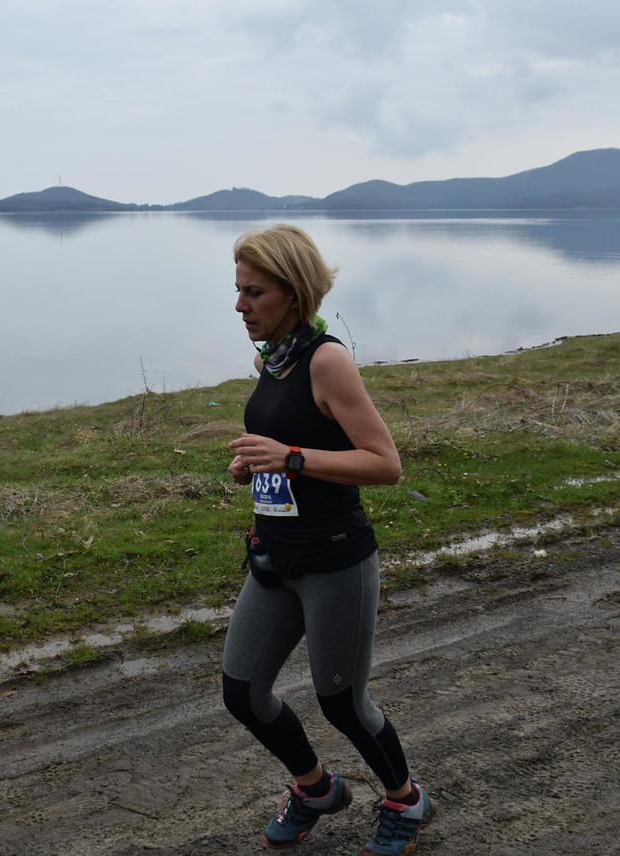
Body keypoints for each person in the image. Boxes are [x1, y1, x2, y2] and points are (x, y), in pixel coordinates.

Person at [223, 224, 435, 855]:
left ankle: (405, 800)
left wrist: (290, 458)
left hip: (335, 560)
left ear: (293, 293)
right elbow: (291, 441)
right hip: (274, 557)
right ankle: (316, 789)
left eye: (254, 293)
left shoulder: (327, 360)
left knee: (341, 702)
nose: (240, 306)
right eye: (237, 291)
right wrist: (256, 464)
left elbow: (385, 465)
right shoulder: (271, 359)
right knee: (243, 693)